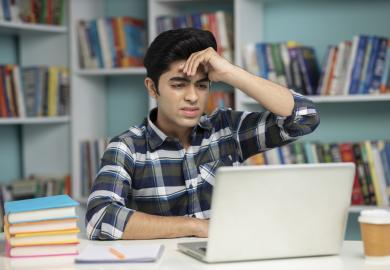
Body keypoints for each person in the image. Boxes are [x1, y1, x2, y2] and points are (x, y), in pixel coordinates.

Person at [86, 28, 320, 240]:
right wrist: (195, 227)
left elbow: (305, 117)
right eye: (179, 85)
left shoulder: (227, 129)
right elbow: (100, 218)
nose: (193, 97)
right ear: (152, 87)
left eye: (201, 85)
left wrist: (230, 72)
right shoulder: (127, 147)